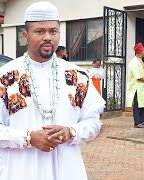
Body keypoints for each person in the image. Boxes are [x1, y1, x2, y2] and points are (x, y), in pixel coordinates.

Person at [0, 2, 105, 180]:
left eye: (53, 31)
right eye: (39, 31)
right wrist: (28, 138)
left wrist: (71, 132)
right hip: (20, 170)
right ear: (26, 35)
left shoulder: (78, 76)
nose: (47, 37)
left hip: (67, 170)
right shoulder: (6, 78)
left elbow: (93, 122)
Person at [126, 43, 144, 128]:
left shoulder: (139, 60)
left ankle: (142, 120)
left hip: (143, 87)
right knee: (137, 105)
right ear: (140, 51)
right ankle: (137, 123)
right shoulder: (134, 62)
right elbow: (138, 76)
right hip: (137, 88)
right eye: (143, 50)